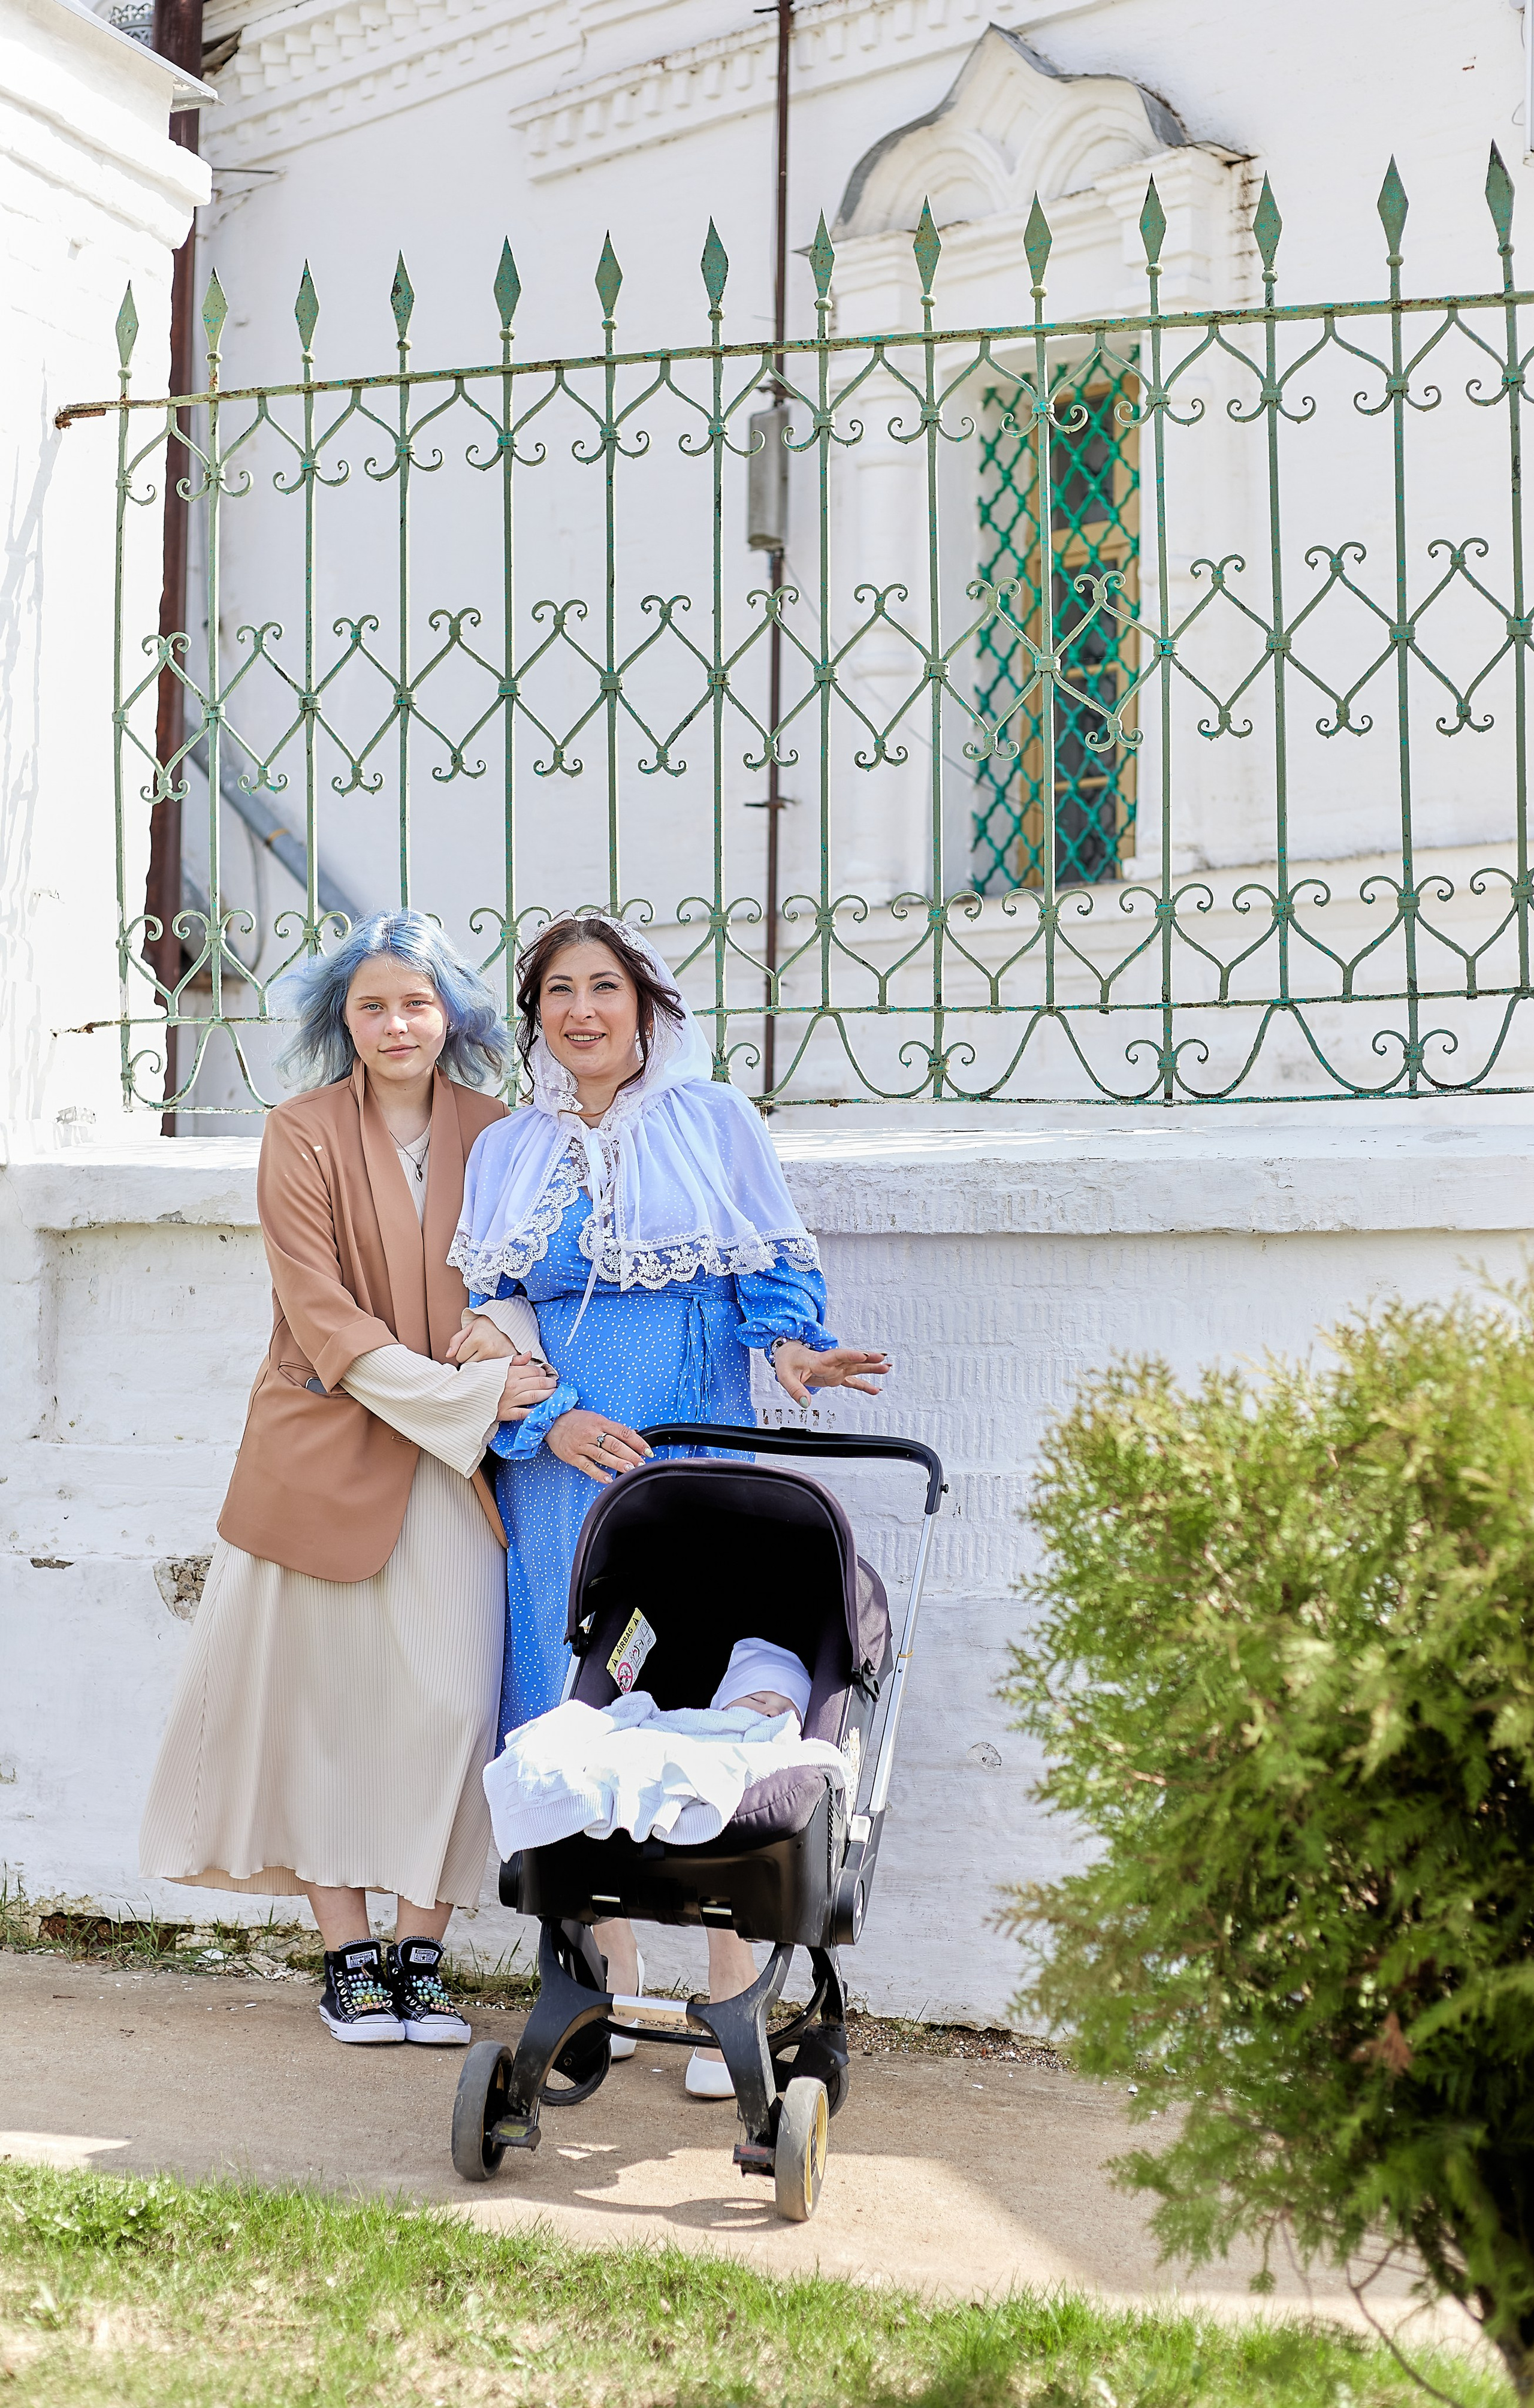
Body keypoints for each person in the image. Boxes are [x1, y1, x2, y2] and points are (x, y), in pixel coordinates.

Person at [446, 912, 889, 2096]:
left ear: (647, 1004)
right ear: (535, 1014)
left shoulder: (713, 1121)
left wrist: (796, 1355)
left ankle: (730, 1977)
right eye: (556, 991)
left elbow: (769, 1279)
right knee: (573, 1689)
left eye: (603, 986)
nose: (580, 1010)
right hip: (561, 1461)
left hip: (686, 1439)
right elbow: (485, 1319)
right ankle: (601, 1983)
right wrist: (549, 1418)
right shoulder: (506, 1150)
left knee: (694, 1689)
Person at [139, 913, 556, 2048]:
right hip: (324, 1455)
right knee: (320, 1712)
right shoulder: (300, 1131)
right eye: (371, 1006)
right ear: (342, 1022)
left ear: (452, 1015)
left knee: (452, 1704)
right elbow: (321, 1315)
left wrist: (500, 1345)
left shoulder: (506, 1133)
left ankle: (423, 1947)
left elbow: (523, 1278)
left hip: (455, 1470)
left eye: (416, 1003)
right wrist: (469, 1393)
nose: (396, 1024)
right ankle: (349, 1957)